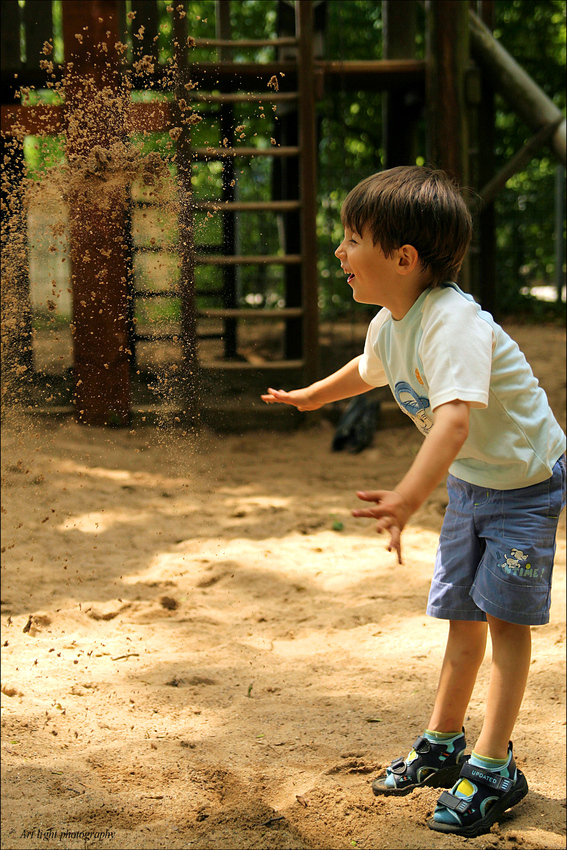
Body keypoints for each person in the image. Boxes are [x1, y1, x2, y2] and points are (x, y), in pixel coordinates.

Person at [261, 165, 566, 838]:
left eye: (350, 239)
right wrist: (310, 396)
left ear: (402, 259)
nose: (338, 252)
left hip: (522, 487)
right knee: (461, 615)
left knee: (504, 624)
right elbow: (365, 372)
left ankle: (492, 768)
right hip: (473, 485)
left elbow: (453, 421)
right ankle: (442, 743)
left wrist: (404, 497)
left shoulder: (451, 322)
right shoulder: (390, 322)